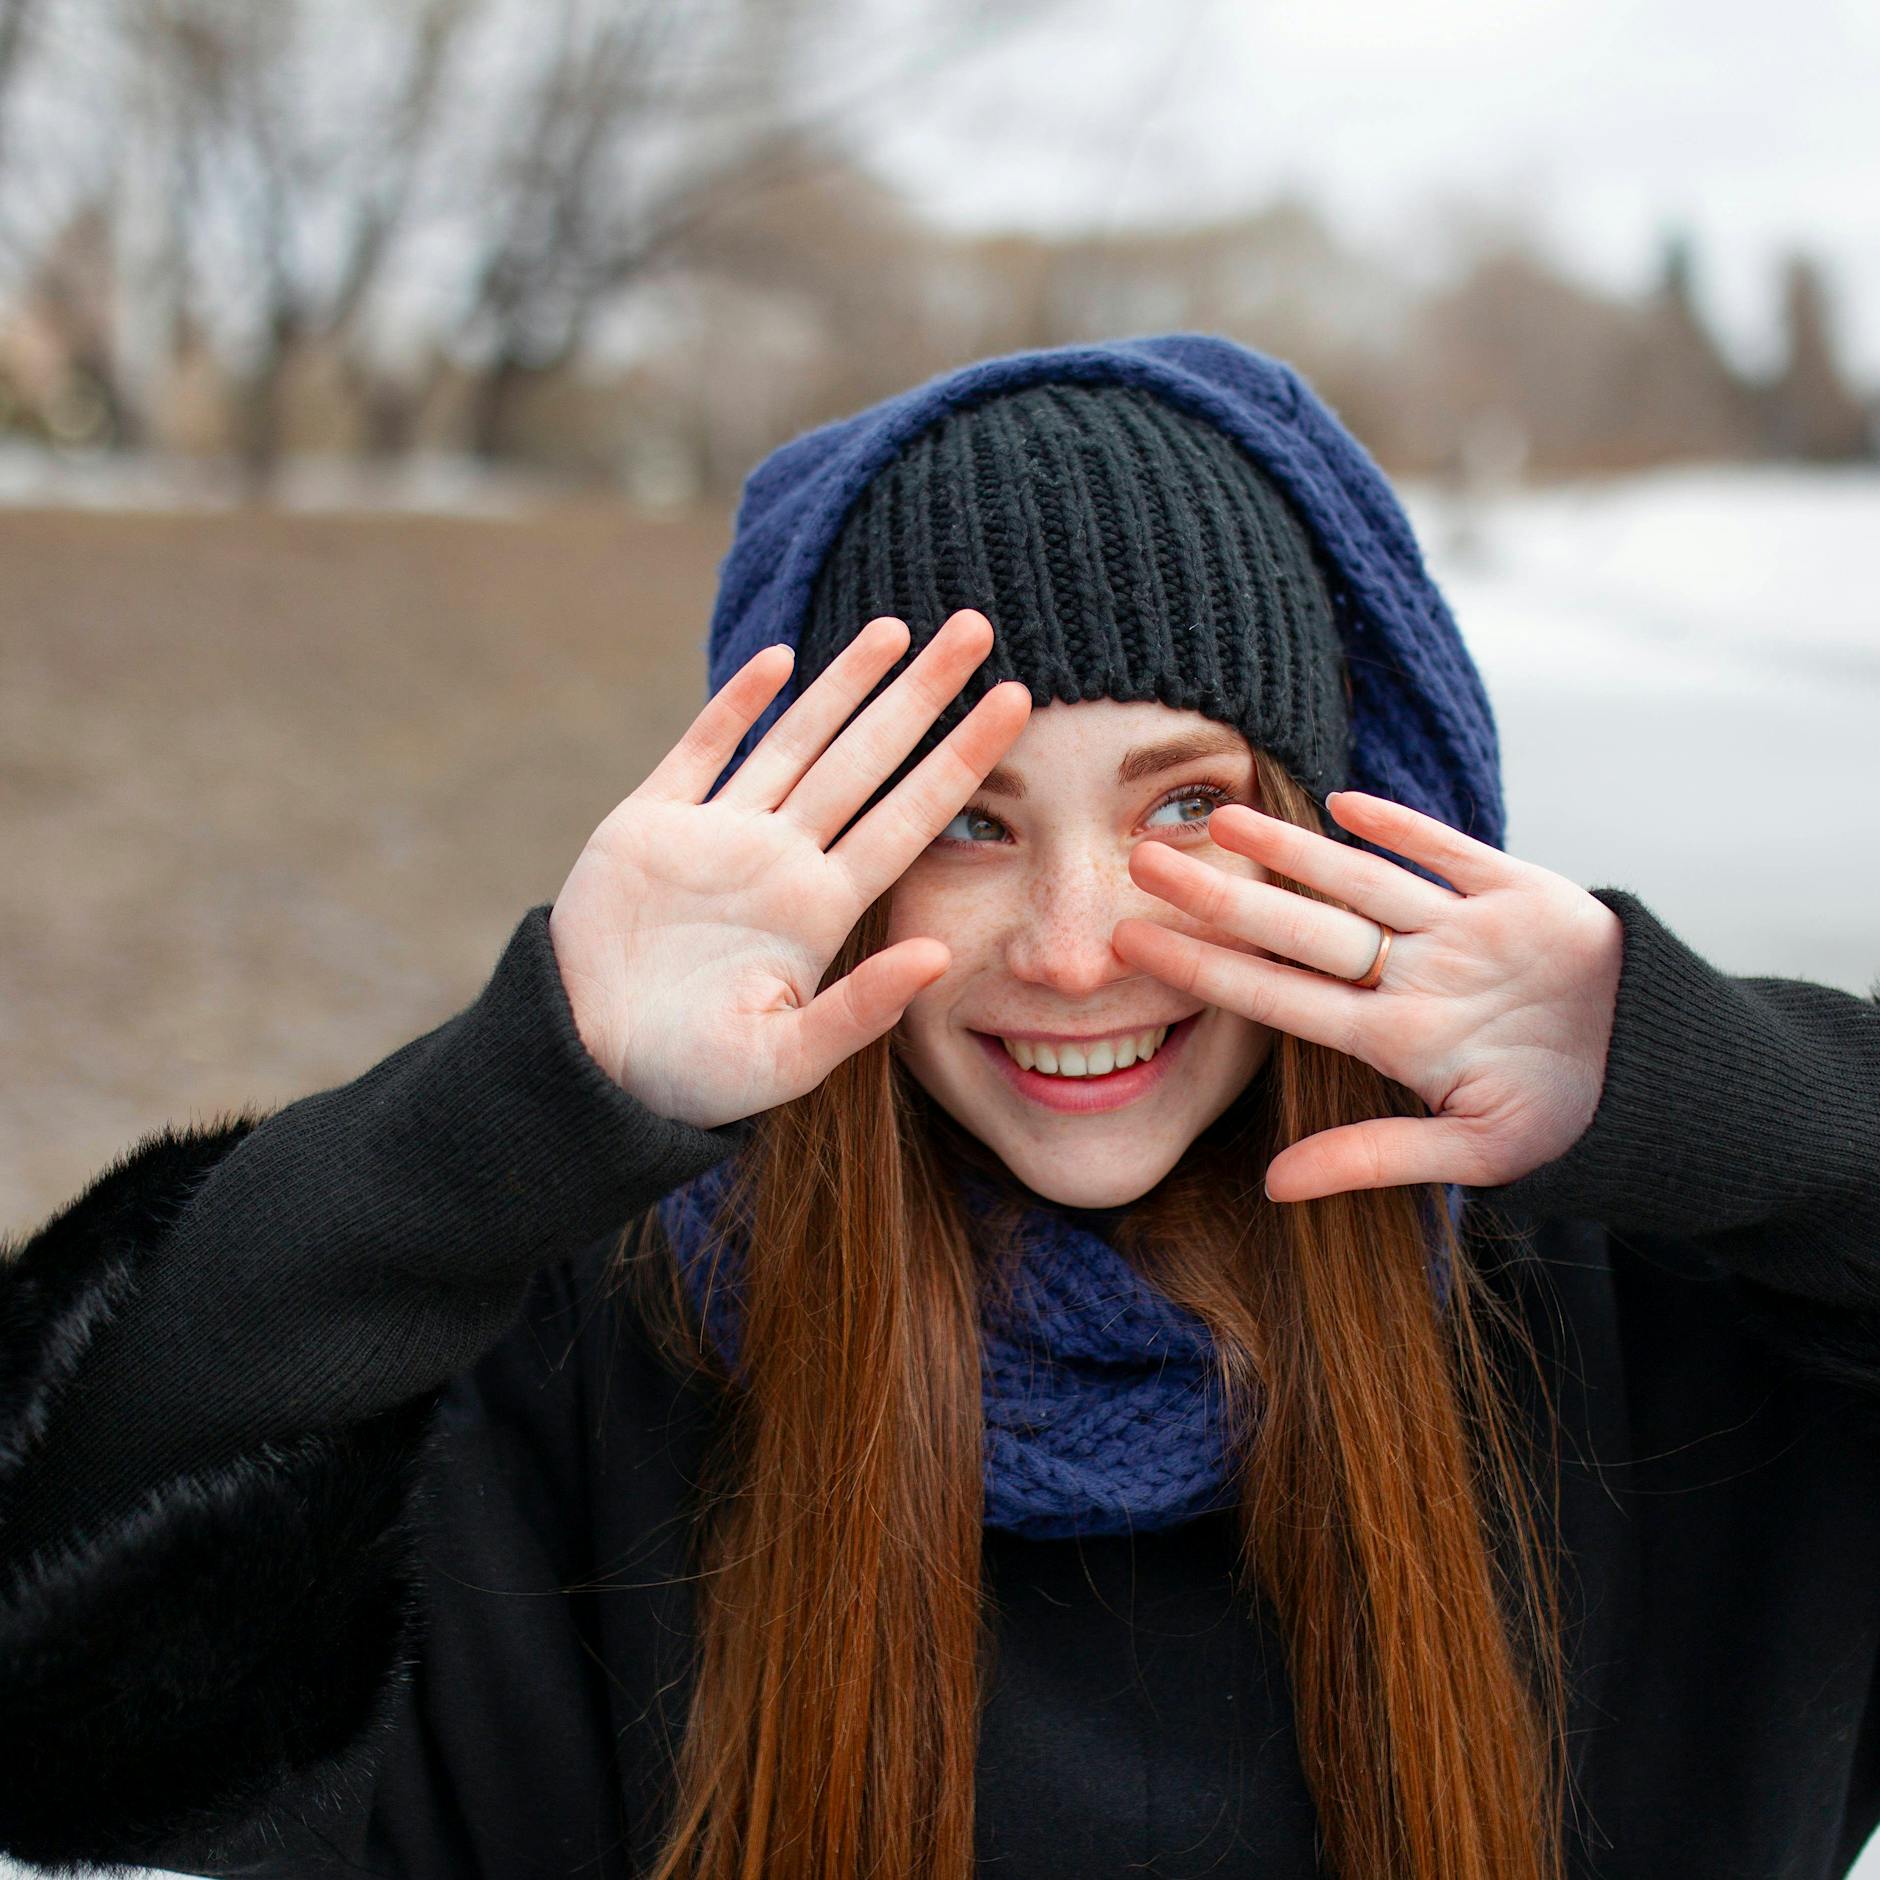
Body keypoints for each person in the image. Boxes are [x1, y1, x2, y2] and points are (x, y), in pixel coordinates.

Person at [1, 333, 1876, 1880]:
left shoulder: (1647, 1353)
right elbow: (63, 1643)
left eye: (1188, 808)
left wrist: (1720, 1096)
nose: (1073, 951)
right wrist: (522, 1102)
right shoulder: (585, 1389)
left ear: (1344, 833)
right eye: (967, 820)